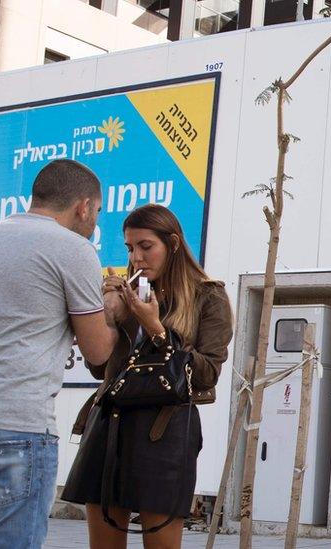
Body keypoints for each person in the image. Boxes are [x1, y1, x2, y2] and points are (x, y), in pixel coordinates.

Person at [0, 159, 118, 548]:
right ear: (83, 206)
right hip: (17, 425)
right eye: (97, 212)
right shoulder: (74, 249)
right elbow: (97, 350)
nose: (95, 222)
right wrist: (115, 311)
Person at [62, 204, 233, 549]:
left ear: (171, 244)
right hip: (110, 421)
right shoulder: (126, 294)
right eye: (129, 247)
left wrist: (156, 328)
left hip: (164, 430)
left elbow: (206, 374)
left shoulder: (208, 297)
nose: (136, 257)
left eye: (145, 246)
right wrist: (107, 317)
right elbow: (101, 367)